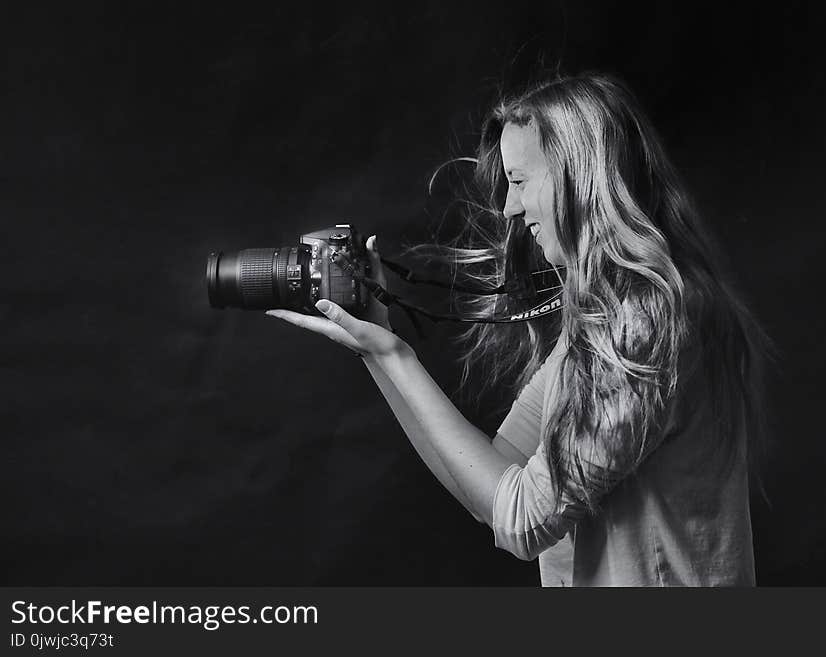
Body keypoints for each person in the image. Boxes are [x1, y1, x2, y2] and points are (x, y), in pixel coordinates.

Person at [266, 72, 768, 586]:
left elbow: (523, 521)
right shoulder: (606, 322)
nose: (508, 207)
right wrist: (376, 351)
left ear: (581, 176)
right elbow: (495, 484)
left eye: (520, 181)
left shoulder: (645, 323)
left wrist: (398, 358)